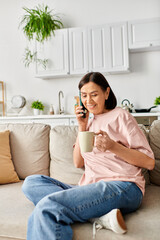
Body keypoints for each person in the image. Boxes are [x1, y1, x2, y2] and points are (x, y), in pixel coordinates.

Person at [22, 72, 155, 240]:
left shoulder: (121, 116)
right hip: (91, 188)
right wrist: (82, 126)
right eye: (84, 96)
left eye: (94, 95)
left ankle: (91, 212)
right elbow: (78, 163)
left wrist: (113, 146)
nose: (89, 101)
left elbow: (149, 162)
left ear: (106, 93)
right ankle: (98, 215)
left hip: (123, 186)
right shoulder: (89, 122)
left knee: (47, 206)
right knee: (31, 183)